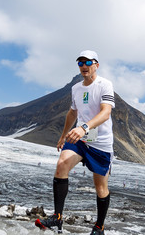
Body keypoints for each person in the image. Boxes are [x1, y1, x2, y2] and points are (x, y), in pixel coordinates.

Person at [35, 50, 115, 235]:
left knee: (101, 188)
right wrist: (64, 135)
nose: (84, 66)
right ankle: (57, 217)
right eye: (80, 63)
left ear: (97, 65)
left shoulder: (105, 85)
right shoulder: (76, 88)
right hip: (80, 139)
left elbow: (105, 113)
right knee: (62, 164)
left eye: (88, 62)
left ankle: (99, 227)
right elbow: (73, 112)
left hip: (100, 143)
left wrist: (84, 128)